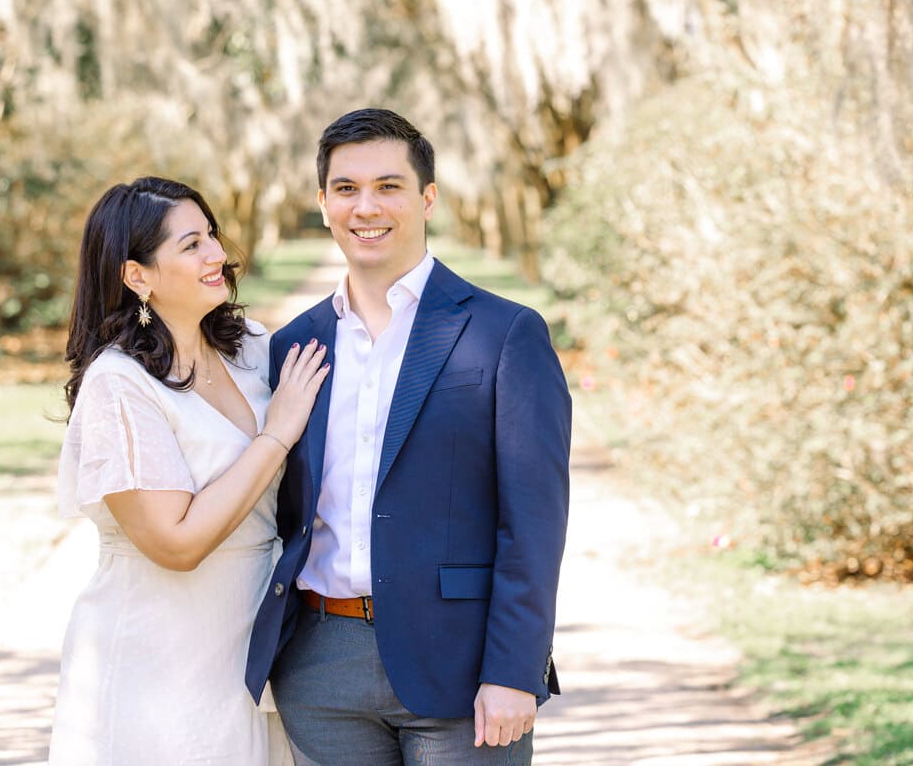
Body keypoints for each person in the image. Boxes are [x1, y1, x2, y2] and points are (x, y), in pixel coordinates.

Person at [244, 109, 572, 765]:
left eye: (389, 186)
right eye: (346, 189)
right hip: (320, 666)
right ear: (324, 202)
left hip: (460, 664)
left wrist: (514, 670)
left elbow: (533, 523)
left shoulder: (503, 333)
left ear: (427, 198)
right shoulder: (292, 345)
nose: (367, 207)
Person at [49, 176, 328, 765]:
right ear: (137, 276)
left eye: (212, 236)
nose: (217, 255)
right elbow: (175, 543)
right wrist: (276, 433)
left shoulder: (249, 347)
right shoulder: (119, 385)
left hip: (254, 650)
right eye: (191, 244)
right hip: (161, 664)